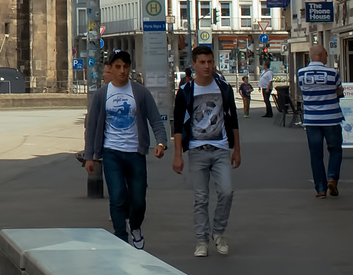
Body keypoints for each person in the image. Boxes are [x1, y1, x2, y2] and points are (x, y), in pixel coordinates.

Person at [84, 49, 169, 250]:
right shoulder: (101, 95)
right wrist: (90, 156)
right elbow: (92, 126)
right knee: (118, 197)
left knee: (138, 199)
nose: (122, 71)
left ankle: (136, 226)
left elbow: (155, 119)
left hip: (135, 153)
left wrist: (161, 142)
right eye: (118, 67)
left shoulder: (139, 92)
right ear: (110, 69)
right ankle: (121, 237)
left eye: (125, 66)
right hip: (111, 152)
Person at [172, 44, 241, 257]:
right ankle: (201, 240)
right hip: (197, 150)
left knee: (227, 192)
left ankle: (218, 233)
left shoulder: (223, 88)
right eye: (202, 62)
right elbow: (177, 125)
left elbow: (233, 119)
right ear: (193, 65)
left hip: (220, 149)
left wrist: (237, 149)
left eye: (210, 62)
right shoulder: (185, 91)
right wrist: (177, 155)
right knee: (201, 198)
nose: (207, 66)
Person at [297, 45, 345, 197]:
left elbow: (303, 90)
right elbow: (339, 90)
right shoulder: (332, 73)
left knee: (316, 154)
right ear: (319, 55)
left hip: (312, 120)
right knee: (335, 150)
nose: (326, 56)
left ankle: (321, 189)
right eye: (324, 54)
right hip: (331, 119)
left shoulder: (301, 73)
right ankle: (332, 177)